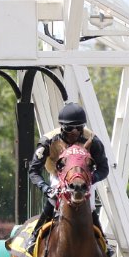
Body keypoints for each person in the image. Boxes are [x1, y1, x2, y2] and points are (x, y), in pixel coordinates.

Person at [27, 102, 110, 249]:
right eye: (70, 128)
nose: (75, 132)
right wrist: (46, 189)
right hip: (57, 175)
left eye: (79, 128)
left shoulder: (93, 140)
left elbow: (104, 168)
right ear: (62, 127)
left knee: (90, 205)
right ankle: (34, 236)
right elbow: (33, 171)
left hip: (84, 177)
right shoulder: (47, 141)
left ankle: (103, 241)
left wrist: (91, 179)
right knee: (53, 200)